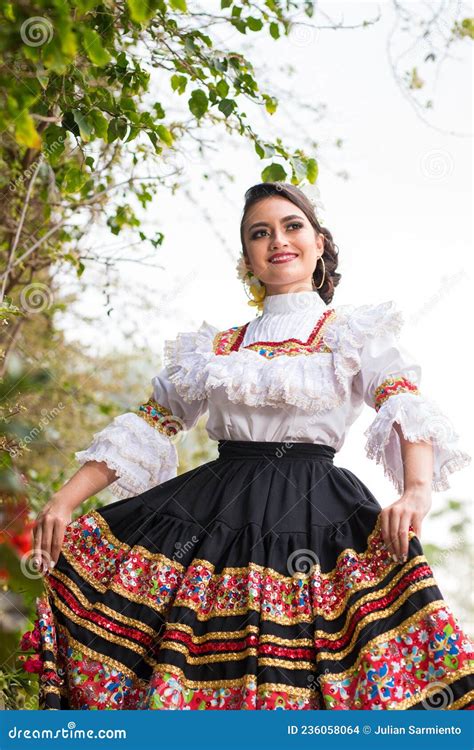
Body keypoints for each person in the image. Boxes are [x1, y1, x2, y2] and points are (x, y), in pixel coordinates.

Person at [20, 182, 474, 711]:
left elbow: (403, 402)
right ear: (247, 261)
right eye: (260, 233)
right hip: (211, 518)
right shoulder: (213, 349)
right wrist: (64, 501)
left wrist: (416, 489)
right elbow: (150, 423)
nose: (278, 240)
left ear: (319, 242)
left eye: (292, 226)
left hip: (319, 515)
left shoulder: (350, 333)